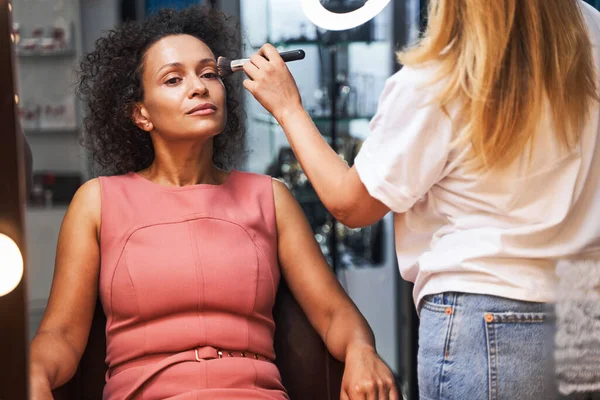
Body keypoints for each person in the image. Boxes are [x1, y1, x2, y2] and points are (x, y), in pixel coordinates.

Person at [28, 6, 398, 400]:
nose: (199, 87)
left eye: (208, 73)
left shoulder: (270, 197)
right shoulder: (98, 202)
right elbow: (61, 335)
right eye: (173, 79)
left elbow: (335, 314)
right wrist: (32, 372)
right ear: (141, 114)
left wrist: (362, 351)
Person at [243, 0, 600, 398]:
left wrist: (288, 107)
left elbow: (352, 205)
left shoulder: (444, 75)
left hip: (486, 319)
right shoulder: (590, 30)